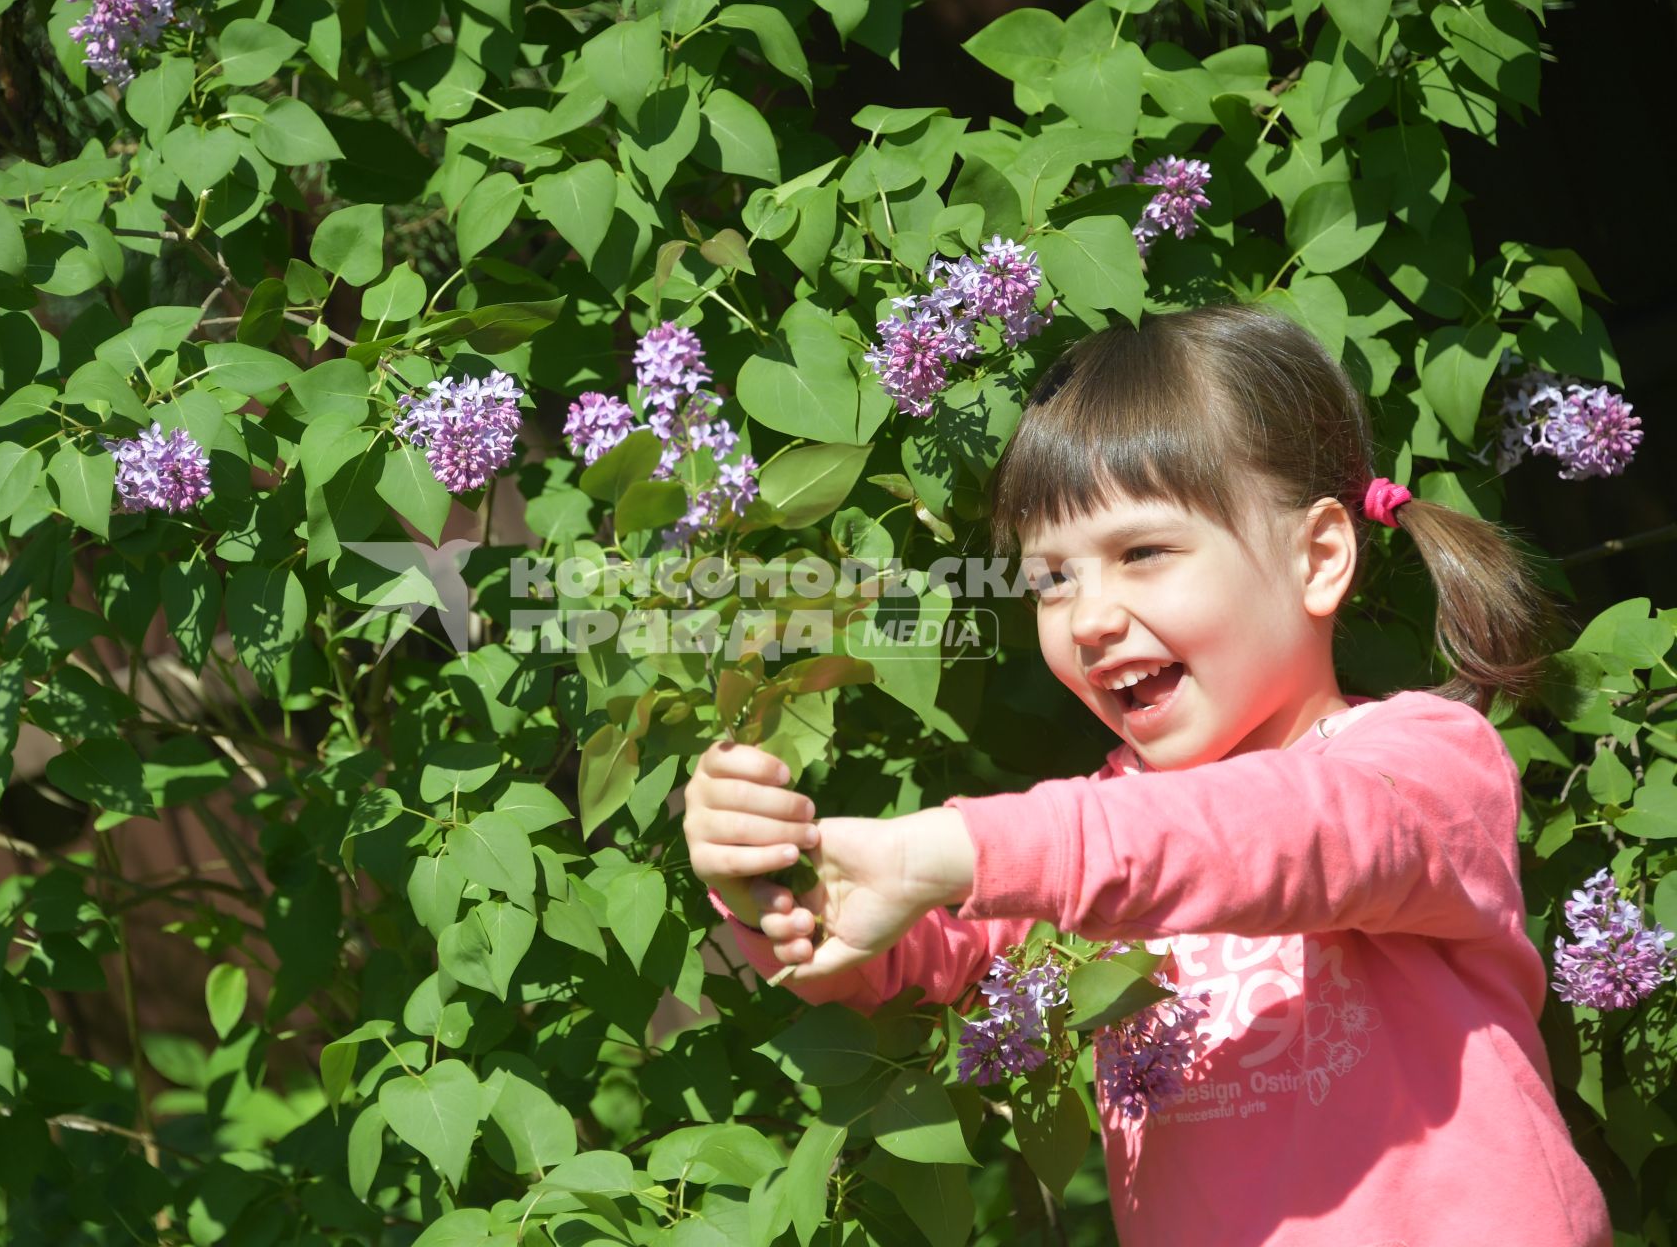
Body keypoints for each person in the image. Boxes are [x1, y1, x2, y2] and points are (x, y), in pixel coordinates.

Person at [684, 304, 1613, 1245]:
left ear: (1319, 558)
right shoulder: (1086, 841)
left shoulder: (1427, 766)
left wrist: (959, 845)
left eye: (1143, 553)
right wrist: (772, 878)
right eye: (1051, 579)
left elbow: (1287, 835)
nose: (1088, 618)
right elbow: (898, 960)